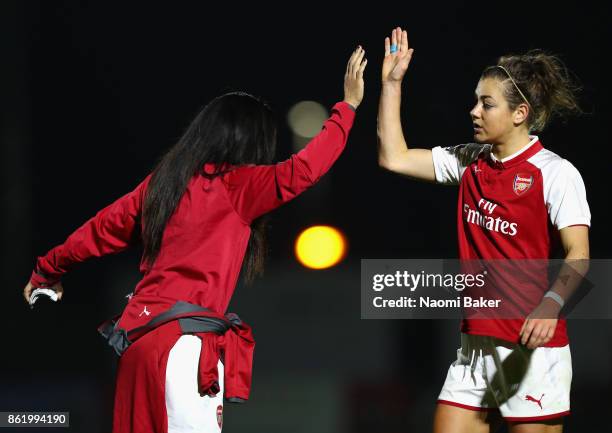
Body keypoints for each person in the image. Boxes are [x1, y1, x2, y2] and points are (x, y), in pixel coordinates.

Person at [23, 45, 367, 433]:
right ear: (251, 143)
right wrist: (348, 108)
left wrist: (46, 271)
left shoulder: (161, 186)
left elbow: (100, 229)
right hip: (183, 348)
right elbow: (303, 170)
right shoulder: (238, 184)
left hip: (136, 347)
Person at [377, 27, 590, 433]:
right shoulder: (471, 162)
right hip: (475, 346)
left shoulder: (556, 174)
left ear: (519, 113)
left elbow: (578, 253)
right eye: (476, 100)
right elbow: (394, 157)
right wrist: (392, 84)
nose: (473, 110)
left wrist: (550, 304)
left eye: (486, 103)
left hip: (530, 347)